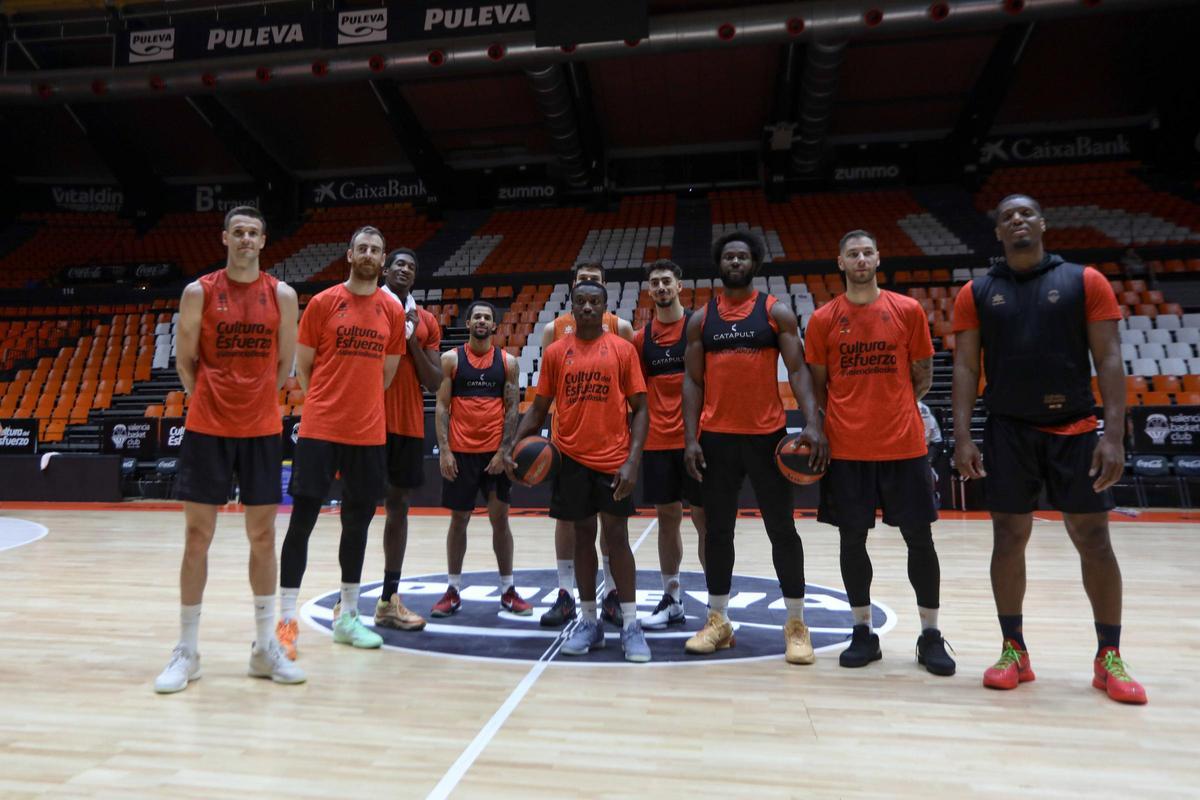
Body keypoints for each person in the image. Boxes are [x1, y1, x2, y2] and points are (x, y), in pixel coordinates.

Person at [953, 193, 1146, 704]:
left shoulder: (1085, 281)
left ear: (1042, 223)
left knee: (1094, 538)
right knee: (1007, 535)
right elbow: (969, 369)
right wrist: (964, 434)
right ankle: (1013, 648)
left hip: (1077, 428)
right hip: (1008, 429)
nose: (1016, 220)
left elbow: (1108, 358)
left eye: (1025, 214)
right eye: (1006, 217)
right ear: (997, 232)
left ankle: (1109, 656)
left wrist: (1112, 433)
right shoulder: (975, 291)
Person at [155, 205, 305, 693]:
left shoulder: (282, 295)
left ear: (263, 242)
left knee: (262, 537)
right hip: (208, 428)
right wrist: (212, 402)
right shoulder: (199, 292)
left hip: (261, 428)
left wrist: (254, 397)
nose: (245, 239)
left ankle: (265, 649)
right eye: (237, 232)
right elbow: (185, 360)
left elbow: (285, 363)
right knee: (197, 536)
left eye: (253, 233)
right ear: (225, 238)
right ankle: (187, 651)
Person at [805, 230, 954, 675]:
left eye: (868, 251)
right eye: (853, 253)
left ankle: (930, 634)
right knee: (852, 540)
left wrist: (891, 406)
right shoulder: (823, 319)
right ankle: (862, 632)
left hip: (903, 445)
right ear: (840, 263)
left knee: (919, 539)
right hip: (847, 449)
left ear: (878, 258)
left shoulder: (906, 310)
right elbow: (816, 386)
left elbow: (921, 375)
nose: (861, 258)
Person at [682, 231, 828, 664]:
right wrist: (690, 437)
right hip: (717, 438)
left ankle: (797, 624)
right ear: (719, 264)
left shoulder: (774, 312)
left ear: (755, 263)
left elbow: (799, 370)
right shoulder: (700, 320)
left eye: (743, 255)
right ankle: (719, 621)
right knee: (718, 532)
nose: (735, 261)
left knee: (782, 529)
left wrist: (813, 422)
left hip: (767, 437)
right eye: (728, 256)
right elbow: (692, 382)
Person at [275, 226, 406, 659]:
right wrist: (330, 403)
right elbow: (306, 368)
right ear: (349, 254)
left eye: (376, 249)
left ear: (383, 260)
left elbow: (386, 375)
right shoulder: (324, 303)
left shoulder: (392, 309)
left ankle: (348, 617)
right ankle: (286, 622)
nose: (369, 255)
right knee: (302, 524)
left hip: (367, 432)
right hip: (319, 429)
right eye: (362, 248)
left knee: (357, 524)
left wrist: (356, 404)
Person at [507, 280, 652, 662]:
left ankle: (632, 624)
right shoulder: (556, 352)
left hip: (613, 458)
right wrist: (511, 446)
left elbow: (641, 409)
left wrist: (633, 460)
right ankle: (590, 621)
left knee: (616, 539)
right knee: (583, 538)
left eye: (595, 302)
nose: (587, 307)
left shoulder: (622, 350)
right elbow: (538, 409)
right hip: (569, 459)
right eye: (581, 302)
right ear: (571, 309)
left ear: (605, 308)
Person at [538, 262, 635, 628]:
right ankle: (567, 593)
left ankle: (612, 593)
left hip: (608, 443)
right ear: (573, 288)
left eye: (596, 284)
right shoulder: (554, 331)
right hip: (567, 445)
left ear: (605, 290)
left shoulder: (621, 330)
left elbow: (630, 393)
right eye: (583, 283)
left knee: (613, 532)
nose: (589, 292)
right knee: (570, 524)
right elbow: (548, 389)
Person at [429, 301, 532, 617]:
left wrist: (504, 451)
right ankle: (453, 589)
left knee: (500, 519)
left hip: (494, 456)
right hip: (461, 453)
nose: (482, 321)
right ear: (469, 322)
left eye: (488, 317)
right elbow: (443, 407)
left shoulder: (507, 362)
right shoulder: (451, 360)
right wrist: (445, 450)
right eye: (477, 317)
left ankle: (508, 589)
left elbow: (512, 408)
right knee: (458, 519)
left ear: (494, 325)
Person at [632, 259, 707, 629]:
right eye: (655, 283)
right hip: (658, 440)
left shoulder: (699, 326)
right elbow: (637, 397)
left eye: (667, 281)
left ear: (680, 285)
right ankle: (672, 597)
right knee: (667, 520)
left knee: (706, 521)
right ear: (649, 291)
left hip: (698, 440)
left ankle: (716, 601)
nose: (661, 288)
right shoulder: (640, 338)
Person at [375, 248, 443, 632]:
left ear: (415, 278)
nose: (404, 269)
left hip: (406, 422)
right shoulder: (368, 306)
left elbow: (434, 381)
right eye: (398, 263)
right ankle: (345, 598)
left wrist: (410, 336)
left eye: (411, 267)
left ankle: (389, 598)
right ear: (386, 270)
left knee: (398, 508)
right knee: (358, 508)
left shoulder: (426, 321)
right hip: (368, 421)